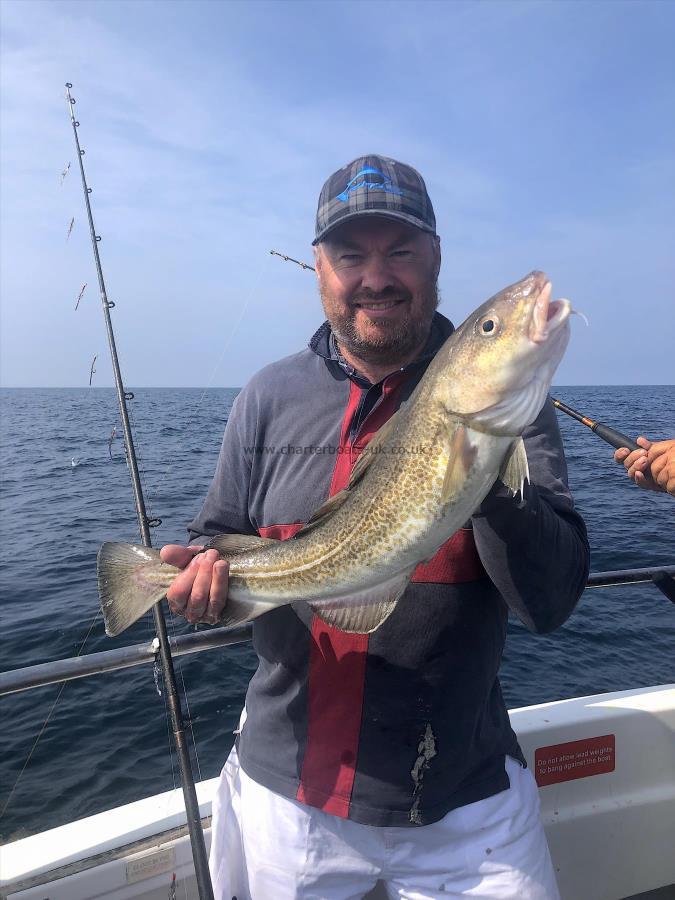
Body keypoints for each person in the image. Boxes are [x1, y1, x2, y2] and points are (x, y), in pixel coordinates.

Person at [161, 155, 590, 900]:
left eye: (400, 251)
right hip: (288, 796)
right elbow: (215, 537)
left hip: (467, 798)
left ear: (434, 260)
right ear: (319, 268)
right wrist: (197, 583)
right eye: (350, 254)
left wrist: (484, 471)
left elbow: (548, 605)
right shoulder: (267, 395)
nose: (375, 276)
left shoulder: (516, 413)